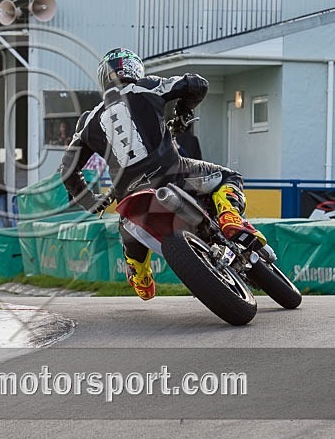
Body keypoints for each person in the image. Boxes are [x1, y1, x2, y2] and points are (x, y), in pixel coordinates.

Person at [60, 47, 265, 301]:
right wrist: (183, 112)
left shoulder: (89, 121)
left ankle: (140, 275)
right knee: (229, 176)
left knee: (127, 227)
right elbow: (196, 83)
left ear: (103, 77)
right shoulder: (146, 86)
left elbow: (67, 171)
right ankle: (230, 215)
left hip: (129, 196)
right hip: (172, 175)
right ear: (134, 69)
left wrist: (91, 202)